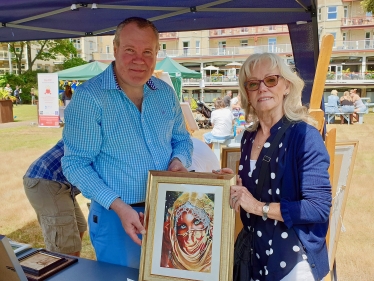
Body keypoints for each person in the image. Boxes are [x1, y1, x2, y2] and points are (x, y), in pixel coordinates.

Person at [61, 17, 193, 268]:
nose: (139, 59)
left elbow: (182, 140)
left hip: (168, 211)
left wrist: (178, 161)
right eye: (130, 50)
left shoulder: (165, 93)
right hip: (116, 216)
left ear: (156, 54)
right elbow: (76, 164)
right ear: (115, 48)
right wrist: (119, 207)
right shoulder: (90, 98)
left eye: (147, 52)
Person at [214, 53, 332, 280]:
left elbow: (318, 207)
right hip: (253, 251)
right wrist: (231, 184)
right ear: (247, 93)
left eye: (271, 80)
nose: (262, 88)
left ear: (286, 85)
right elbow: (257, 186)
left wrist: (259, 207)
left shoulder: (304, 136)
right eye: (253, 83)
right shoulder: (248, 136)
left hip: (292, 256)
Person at [23, 139, 87, 257]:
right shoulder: (90, 132)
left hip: (60, 182)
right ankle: (65, 272)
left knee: (79, 226)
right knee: (64, 242)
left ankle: (73, 266)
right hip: (46, 180)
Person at [160, 192, 214, 272]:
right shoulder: (166, 262)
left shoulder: (217, 262)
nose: (189, 237)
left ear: (209, 225)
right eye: (182, 226)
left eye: (196, 222)